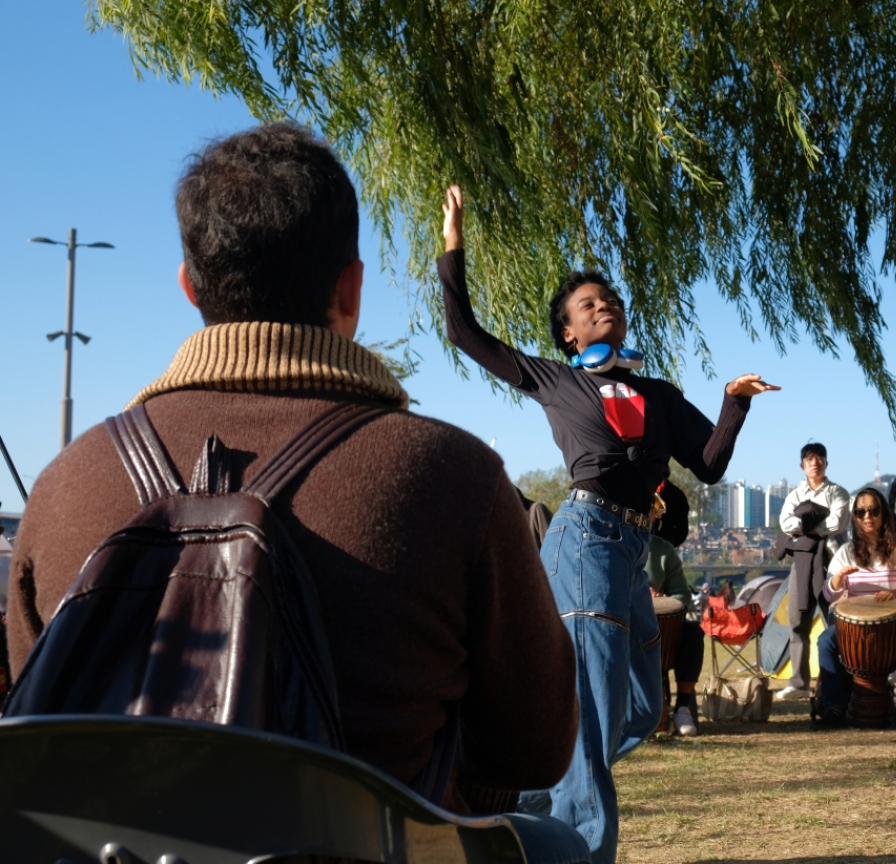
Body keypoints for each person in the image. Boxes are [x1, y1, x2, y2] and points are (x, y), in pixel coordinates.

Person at [6, 124, 580, 819]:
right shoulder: (454, 477)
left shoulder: (66, 483)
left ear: (190, 287)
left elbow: (38, 731)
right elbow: (537, 751)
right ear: (352, 290)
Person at [437, 185, 778, 863]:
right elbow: (464, 333)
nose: (607, 308)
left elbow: (707, 465)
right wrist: (454, 243)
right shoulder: (555, 381)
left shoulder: (658, 394)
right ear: (568, 330)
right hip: (583, 538)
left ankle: (527, 810)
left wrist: (734, 404)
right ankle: (581, 849)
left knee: (638, 707)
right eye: (590, 306)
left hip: (633, 548)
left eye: (611, 301)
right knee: (591, 716)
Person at [813, 487, 896, 729]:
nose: (867, 517)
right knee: (826, 641)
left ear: (884, 513)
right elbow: (829, 594)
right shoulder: (847, 552)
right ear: (855, 518)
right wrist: (838, 578)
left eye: (873, 510)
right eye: (860, 512)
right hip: (856, 628)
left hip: (892, 625)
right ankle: (834, 707)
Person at [776, 442, 850, 701]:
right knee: (798, 621)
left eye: (819, 459)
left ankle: (841, 681)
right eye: (810, 459)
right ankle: (798, 683)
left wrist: (806, 523)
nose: (815, 463)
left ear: (826, 463)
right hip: (802, 561)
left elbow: (839, 521)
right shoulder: (794, 495)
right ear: (802, 465)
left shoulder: (838, 492)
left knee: (836, 621)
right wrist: (818, 521)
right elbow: (785, 522)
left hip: (832, 562)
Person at [646, 483, 703, 737]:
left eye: (650, 511)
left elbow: (682, 594)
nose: (647, 515)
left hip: (662, 629)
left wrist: (664, 598)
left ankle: (681, 709)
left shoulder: (662, 549)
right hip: (626, 627)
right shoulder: (613, 546)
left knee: (692, 633)